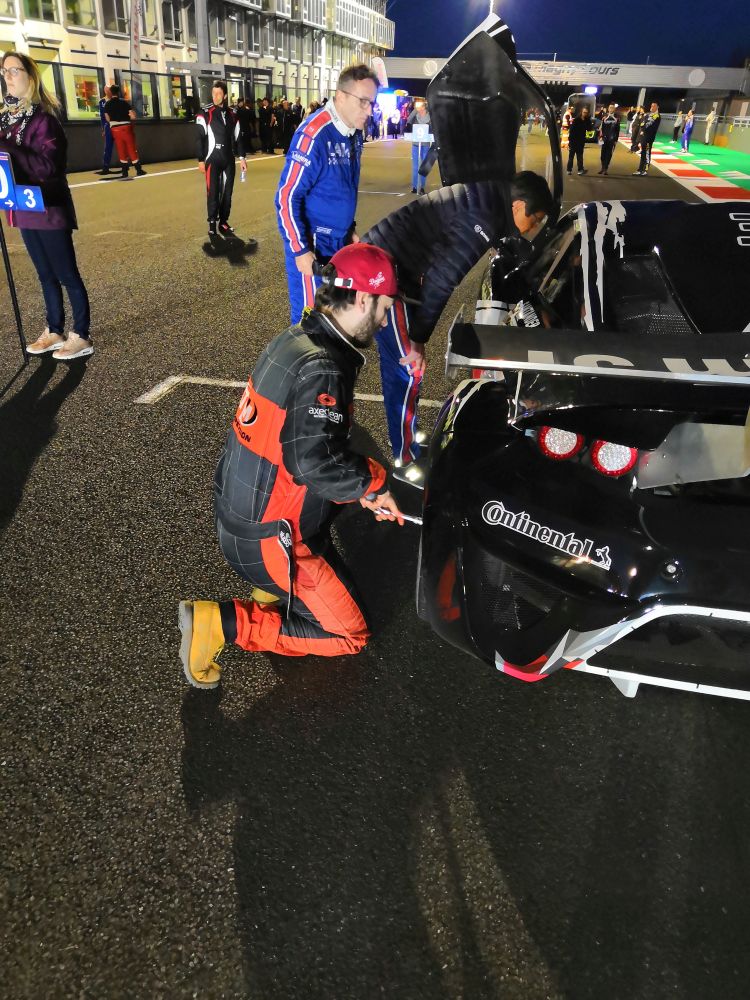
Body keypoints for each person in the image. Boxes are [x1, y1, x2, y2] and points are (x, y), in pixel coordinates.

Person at [178, 243, 405, 689]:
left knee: (330, 493)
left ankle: (274, 591)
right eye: (385, 308)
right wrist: (373, 484)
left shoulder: (296, 339)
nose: (385, 321)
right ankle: (222, 623)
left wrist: (359, 488)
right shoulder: (324, 368)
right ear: (363, 298)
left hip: (241, 518)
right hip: (271, 541)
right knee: (349, 635)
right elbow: (313, 463)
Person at [363, 171, 553, 465]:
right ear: (518, 206)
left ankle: (406, 438)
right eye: (536, 219)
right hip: (384, 277)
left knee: (403, 365)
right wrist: (419, 338)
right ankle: (405, 455)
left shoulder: (492, 199)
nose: (535, 227)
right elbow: (442, 280)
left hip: (393, 266)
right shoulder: (484, 218)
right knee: (408, 366)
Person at [0, 53, 93, 361]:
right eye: (4, 71)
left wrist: (8, 147)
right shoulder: (6, 121)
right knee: (44, 275)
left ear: (30, 76)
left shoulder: (44, 121)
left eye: (14, 70)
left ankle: (81, 334)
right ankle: (54, 329)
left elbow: (48, 168)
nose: (7, 76)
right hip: (22, 208)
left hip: (49, 210)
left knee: (67, 274)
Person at [275, 63, 379, 324]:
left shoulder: (354, 133)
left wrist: (349, 228)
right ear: (341, 96)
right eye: (363, 102)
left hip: (339, 242)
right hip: (313, 245)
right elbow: (286, 197)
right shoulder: (314, 135)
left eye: (372, 103)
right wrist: (300, 250)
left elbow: (342, 186)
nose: (369, 110)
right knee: (310, 321)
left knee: (336, 318)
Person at [196, 80, 246, 240]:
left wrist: (242, 158)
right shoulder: (205, 112)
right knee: (213, 192)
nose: (215, 96)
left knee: (227, 193)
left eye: (219, 94)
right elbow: (199, 138)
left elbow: (238, 137)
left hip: (228, 159)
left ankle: (223, 222)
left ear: (224, 96)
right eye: (213, 93)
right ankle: (212, 223)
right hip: (212, 158)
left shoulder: (233, 114)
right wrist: (200, 159)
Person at [103, 84, 145, 178]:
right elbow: (132, 116)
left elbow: (107, 118)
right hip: (126, 127)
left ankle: (124, 172)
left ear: (111, 92)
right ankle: (138, 170)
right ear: (118, 92)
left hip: (114, 129)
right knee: (131, 148)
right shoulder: (125, 103)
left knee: (120, 149)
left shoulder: (107, 104)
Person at [406, 98, 432, 194]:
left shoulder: (430, 117)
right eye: (417, 106)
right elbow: (408, 120)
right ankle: (415, 186)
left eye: (420, 106)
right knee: (415, 166)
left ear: (424, 106)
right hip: (415, 144)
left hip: (425, 145)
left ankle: (422, 187)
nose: (418, 107)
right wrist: (415, 110)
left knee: (423, 167)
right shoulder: (415, 116)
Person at [633, 102, 661, 175]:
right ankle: (640, 169)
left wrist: (643, 129)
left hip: (649, 137)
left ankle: (645, 170)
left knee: (647, 153)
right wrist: (642, 129)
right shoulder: (648, 114)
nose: (652, 107)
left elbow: (650, 125)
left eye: (654, 106)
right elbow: (642, 123)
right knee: (643, 153)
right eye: (651, 106)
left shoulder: (657, 116)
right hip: (644, 136)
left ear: (657, 107)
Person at [566, 106, 590, 175]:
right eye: (584, 112)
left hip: (581, 141)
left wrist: (588, 120)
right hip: (573, 141)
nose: (585, 114)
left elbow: (589, 129)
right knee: (571, 156)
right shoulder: (576, 120)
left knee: (580, 156)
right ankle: (569, 170)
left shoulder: (587, 120)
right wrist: (570, 141)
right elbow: (571, 131)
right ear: (581, 112)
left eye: (586, 113)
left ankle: (580, 170)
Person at [95, 85, 113, 175]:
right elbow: (102, 117)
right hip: (107, 126)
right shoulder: (102, 101)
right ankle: (106, 167)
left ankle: (125, 166)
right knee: (108, 147)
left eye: (109, 90)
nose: (107, 92)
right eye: (106, 90)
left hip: (116, 125)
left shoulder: (115, 100)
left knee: (121, 145)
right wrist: (103, 129)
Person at [598, 104, 619, 175]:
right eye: (610, 107)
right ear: (608, 109)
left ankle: (605, 169)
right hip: (604, 138)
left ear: (614, 109)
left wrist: (616, 140)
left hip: (611, 139)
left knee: (608, 154)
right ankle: (602, 168)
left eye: (612, 108)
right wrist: (601, 137)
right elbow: (602, 128)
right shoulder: (604, 117)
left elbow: (617, 130)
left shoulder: (617, 118)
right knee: (602, 154)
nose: (611, 109)